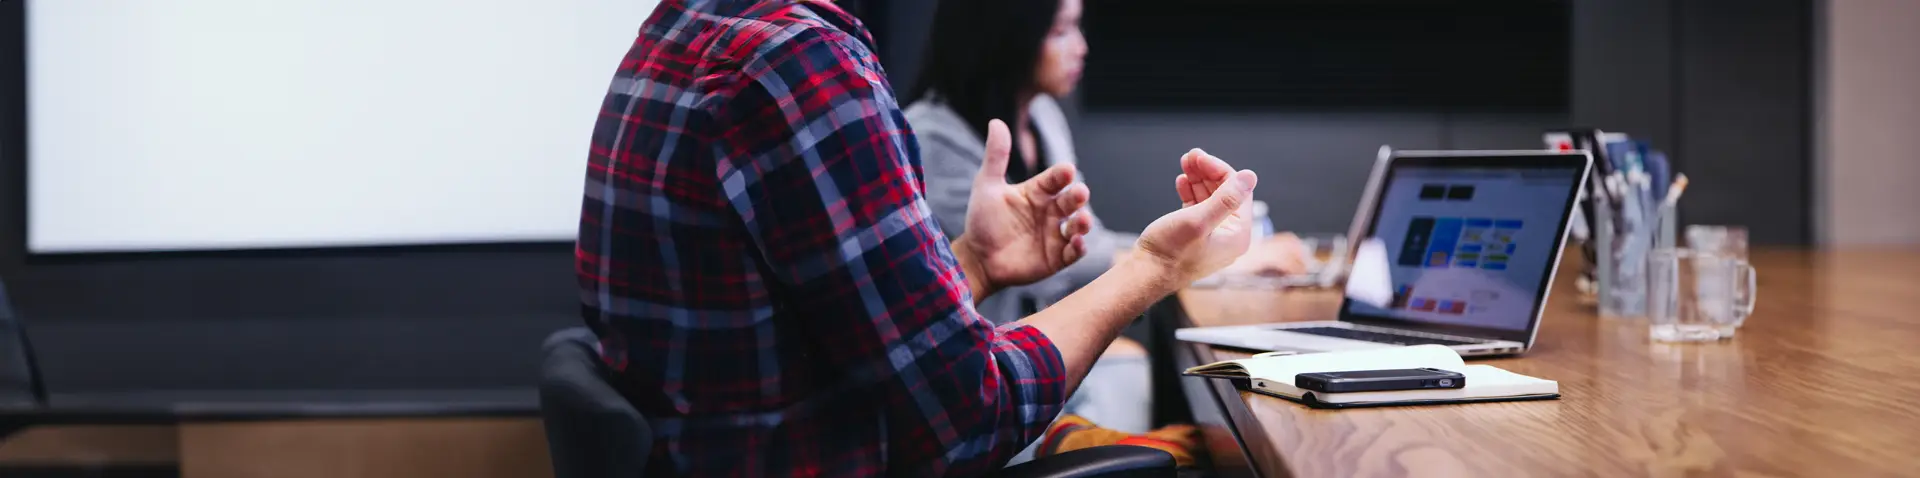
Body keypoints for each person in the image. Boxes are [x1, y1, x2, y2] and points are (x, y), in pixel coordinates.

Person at [576, 0, 1261, 476]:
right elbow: (972, 416)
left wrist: (975, 263)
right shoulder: (803, 65)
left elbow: (815, 338)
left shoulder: (674, 32)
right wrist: (1156, 265)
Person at [904, 0, 1308, 462]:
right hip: (986, 374)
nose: (1082, 47)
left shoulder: (1043, 119)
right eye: (1062, 32)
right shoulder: (931, 140)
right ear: (1006, 37)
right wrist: (1194, 258)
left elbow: (1085, 241)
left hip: (1039, 349)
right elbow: (1066, 266)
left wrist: (1192, 251)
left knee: (1137, 367)